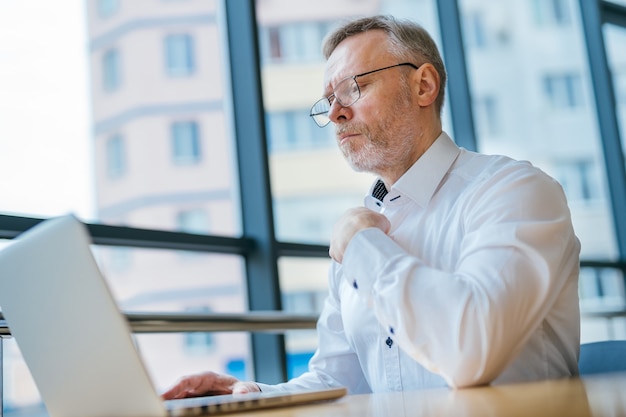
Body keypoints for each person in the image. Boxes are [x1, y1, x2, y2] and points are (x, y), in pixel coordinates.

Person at [162, 14, 580, 399]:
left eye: (353, 88)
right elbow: (337, 382)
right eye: (329, 100)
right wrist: (250, 394)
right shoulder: (360, 231)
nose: (337, 113)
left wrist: (362, 245)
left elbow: (469, 347)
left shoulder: (513, 191)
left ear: (423, 86)